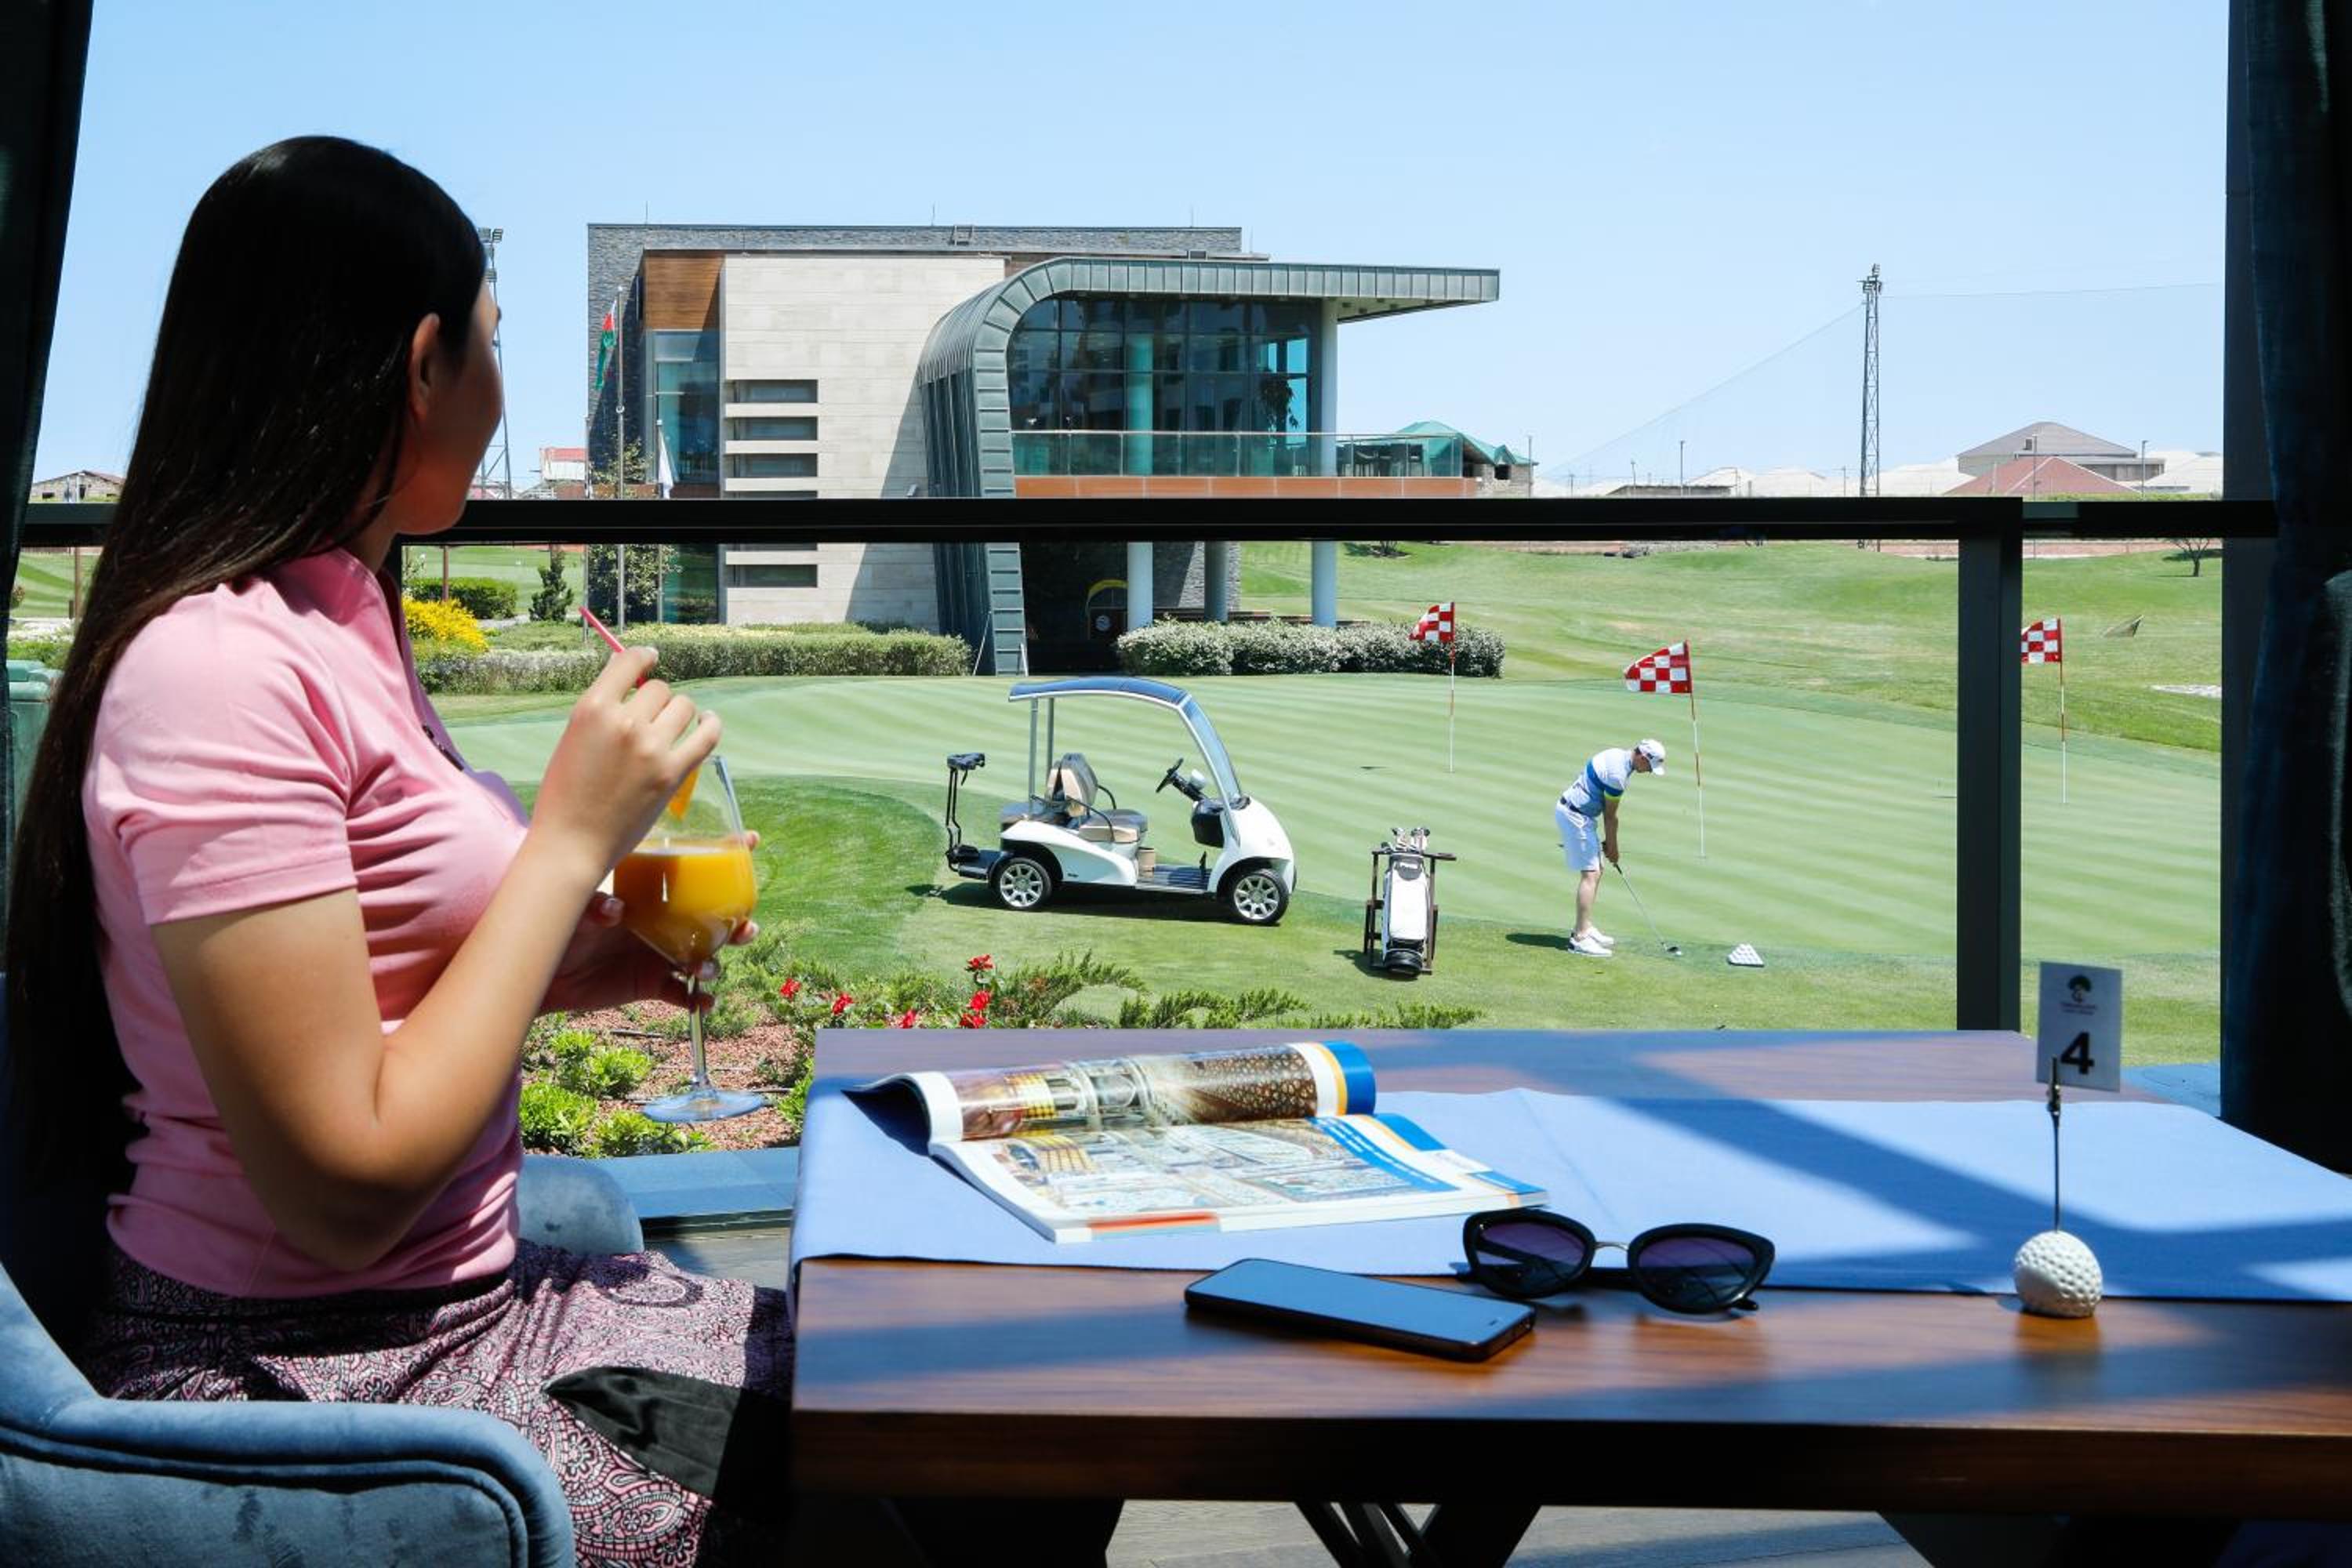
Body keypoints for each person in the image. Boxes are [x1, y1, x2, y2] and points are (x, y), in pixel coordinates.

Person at [4, 137, 1124, 1566]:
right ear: (423, 366)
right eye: (491, 341)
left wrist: (576, 964)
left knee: (1016, 1404)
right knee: (936, 1471)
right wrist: (572, 841)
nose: (498, 385)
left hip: (478, 1314)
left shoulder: (343, 628)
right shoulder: (215, 673)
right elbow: (338, 1193)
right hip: (326, 1376)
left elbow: (373, 995)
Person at [1555, 738, 1665, 958]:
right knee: (1591, 874)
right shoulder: (1618, 776)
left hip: (1579, 814)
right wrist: (1613, 849)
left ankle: (1584, 926)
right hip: (1576, 816)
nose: (1649, 772)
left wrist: (1611, 846)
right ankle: (1580, 938)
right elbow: (1610, 817)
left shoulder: (1617, 754)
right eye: (1650, 767)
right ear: (1643, 757)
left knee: (1597, 870)